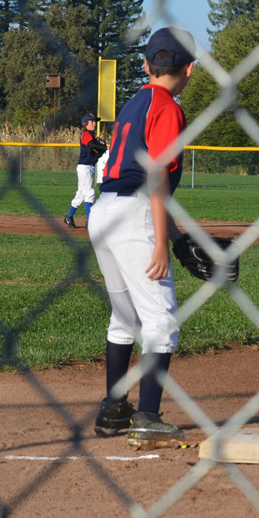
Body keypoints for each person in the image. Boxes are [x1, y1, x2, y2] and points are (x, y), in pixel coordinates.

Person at [87, 27, 196, 447]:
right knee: (161, 320)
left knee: (125, 318)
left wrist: (178, 238)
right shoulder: (167, 106)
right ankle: (148, 417)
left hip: (105, 211)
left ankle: (114, 409)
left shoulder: (134, 102)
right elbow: (155, 176)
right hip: (136, 214)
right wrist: (162, 241)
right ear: (190, 69)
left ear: (147, 65)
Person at [64, 114, 108, 228]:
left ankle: (69, 216)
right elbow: (92, 145)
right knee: (90, 193)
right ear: (85, 124)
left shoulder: (92, 136)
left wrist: (100, 151)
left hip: (89, 167)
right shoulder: (86, 135)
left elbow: (96, 152)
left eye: (95, 121)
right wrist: (104, 147)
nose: (94, 123)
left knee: (81, 194)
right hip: (85, 168)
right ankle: (90, 221)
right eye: (92, 121)